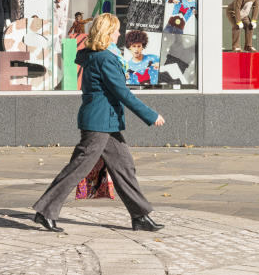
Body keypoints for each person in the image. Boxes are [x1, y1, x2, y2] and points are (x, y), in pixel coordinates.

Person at [32, 13, 165, 233]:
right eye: (116, 30)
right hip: (99, 122)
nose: (119, 33)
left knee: (124, 167)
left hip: (106, 122)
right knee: (78, 168)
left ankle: (140, 215)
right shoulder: (105, 58)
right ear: (107, 32)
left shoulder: (100, 55)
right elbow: (122, 92)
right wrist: (150, 115)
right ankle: (45, 211)